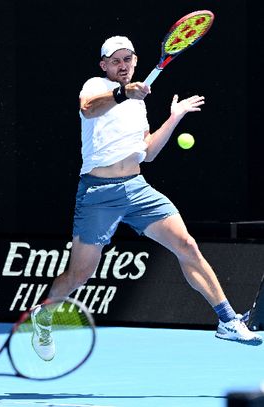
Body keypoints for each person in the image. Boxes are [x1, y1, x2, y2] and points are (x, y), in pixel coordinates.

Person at [30, 35, 262, 361]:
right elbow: (89, 107)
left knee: (187, 246)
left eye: (127, 59)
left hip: (137, 189)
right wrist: (124, 91)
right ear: (104, 65)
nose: (122, 65)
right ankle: (44, 313)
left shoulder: (139, 104)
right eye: (115, 60)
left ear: (136, 61)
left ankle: (227, 320)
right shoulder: (95, 86)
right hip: (98, 193)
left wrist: (175, 116)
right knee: (81, 273)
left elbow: (148, 152)